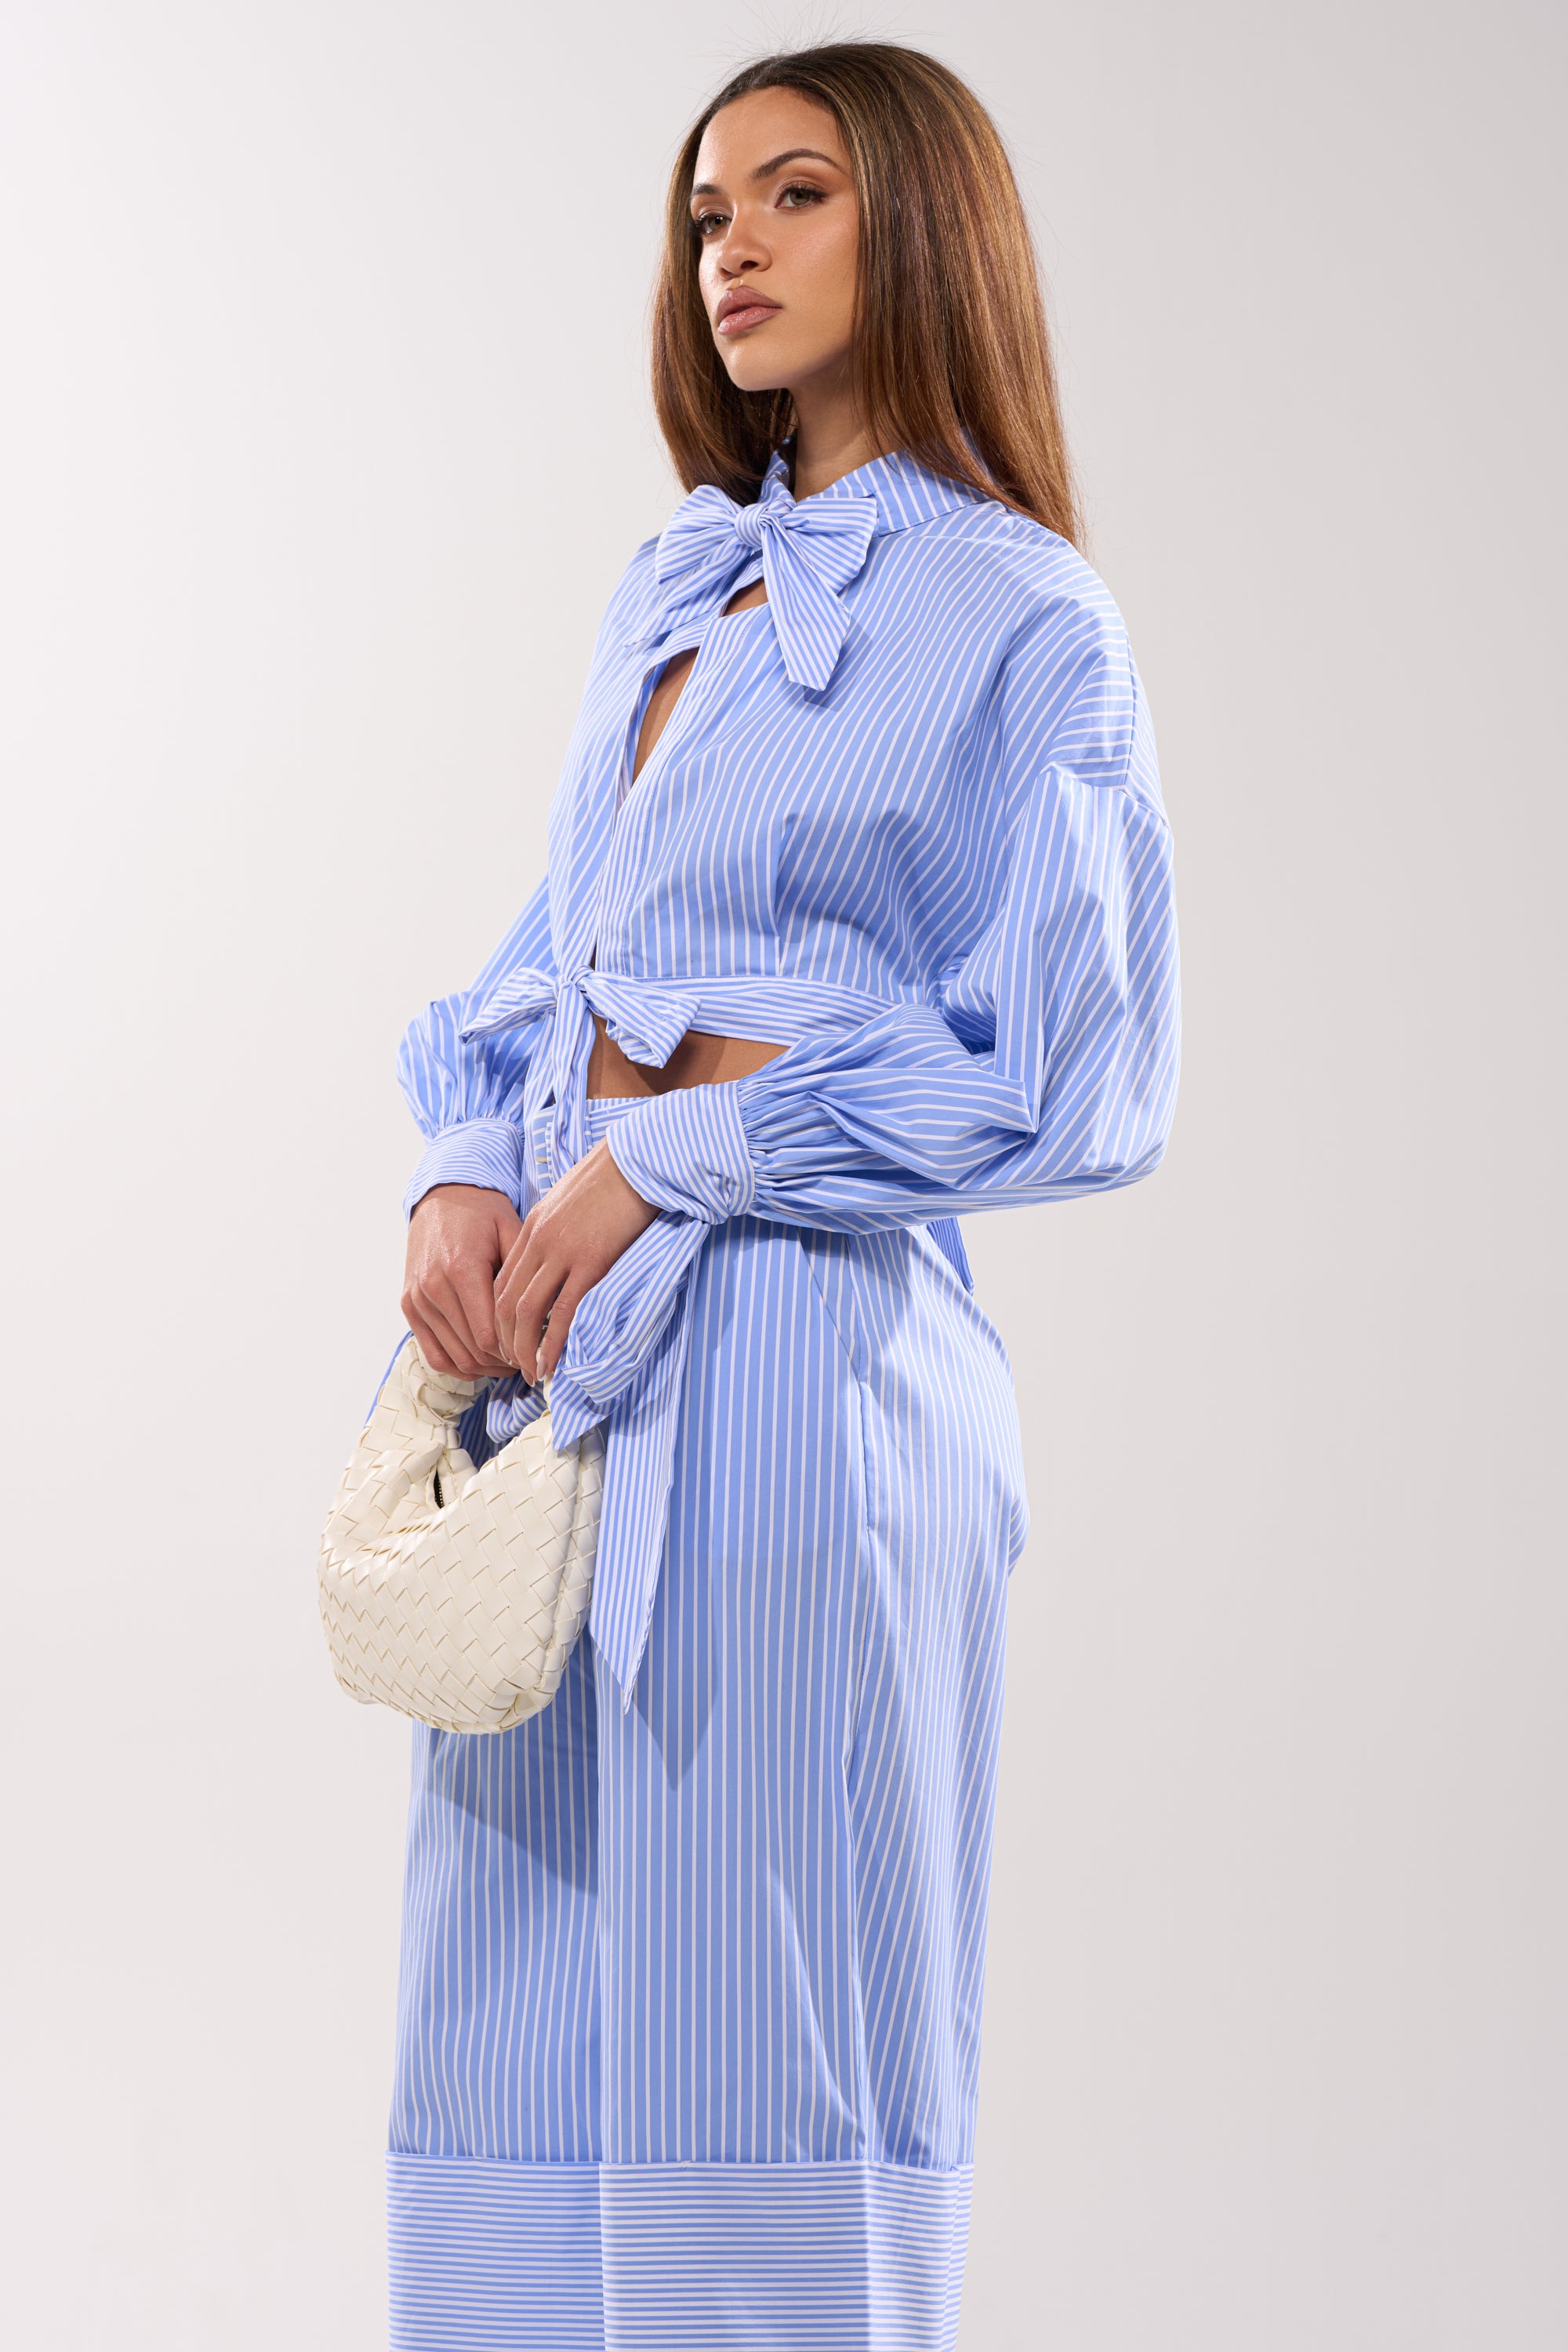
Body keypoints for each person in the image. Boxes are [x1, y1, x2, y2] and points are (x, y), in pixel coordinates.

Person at [389, 40, 1179, 2351]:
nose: (729, 242)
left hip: (807, 1402)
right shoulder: (674, 590)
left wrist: (677, 1151)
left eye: (795, 194)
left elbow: (1082, 1069)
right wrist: (468, 1158)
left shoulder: (1031, 624)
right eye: (707, 205)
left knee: (775, 2022)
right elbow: (563, 955)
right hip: (558, 1399)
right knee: (514, 2017)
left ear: (917, 224)